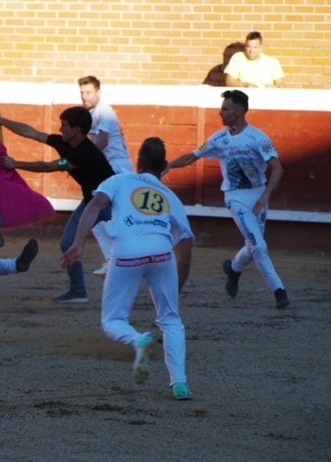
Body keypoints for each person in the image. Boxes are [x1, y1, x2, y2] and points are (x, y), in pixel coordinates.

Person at [60, 137, 195, 400]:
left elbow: (95, 204)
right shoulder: (170, 196)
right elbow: (186, 246)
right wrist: (177, 284)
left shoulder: (119, 181)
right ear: (165, 166)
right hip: (162, 252)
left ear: (138, 162)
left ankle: (138, 340)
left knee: (113, 321)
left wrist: (78, 242)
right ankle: (180, 384)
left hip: (127, 251)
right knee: (171, 319)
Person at [166, 90, 290, 309]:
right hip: (236, 199)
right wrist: (168, 166)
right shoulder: (218, 139)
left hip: (258, 194)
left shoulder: (259, 138)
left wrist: (265, 196)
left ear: (239, 111)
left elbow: (277, 167)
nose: (220, 113)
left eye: (225, 108)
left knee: (253, 246)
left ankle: (233, 269)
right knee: (259, 246)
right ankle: (279, 291)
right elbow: (192, 157)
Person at [0, 106, 115, 303]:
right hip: (93, 200)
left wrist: (16, 164)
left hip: (112, 202)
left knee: (131, 239)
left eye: (64, 126)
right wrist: (0, 120)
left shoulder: (84, 153)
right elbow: (31, 133)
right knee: (67, 242)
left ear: (76, 130)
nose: (60, 129)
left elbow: (48, 167)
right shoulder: (65, 142)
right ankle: (78, 291)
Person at [78, 75, 134, 276]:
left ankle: (118, 258)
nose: (84, 96)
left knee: (100, 213)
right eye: (82, 93)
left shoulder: (104, 111)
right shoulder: (95, 112)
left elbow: (102, 141)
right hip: (111, 169)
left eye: (88, 92)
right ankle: (114, 258)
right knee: (98, 215)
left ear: (98, 92)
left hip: (117, 169)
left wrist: (82, 159)